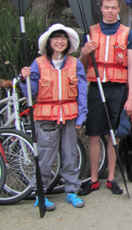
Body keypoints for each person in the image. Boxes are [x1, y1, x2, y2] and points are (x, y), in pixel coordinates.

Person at [20, 24, 87, 210]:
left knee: (70, 154)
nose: (60, 41)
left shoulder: (75, 63)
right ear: (49, 42)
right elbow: (32, 91)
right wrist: (25, 78)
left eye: (63, 38)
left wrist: (82, 116)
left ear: (68, 42)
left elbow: (81, 92)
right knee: (45, 156)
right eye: (55, 38)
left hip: (70, 115)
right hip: (46, 118)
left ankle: (71, 191)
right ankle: (39, 193)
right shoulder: (38, 63)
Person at [78, 0, 132, 196]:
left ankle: (111, 178)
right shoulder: (91, 31)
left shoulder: (127, 32)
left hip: (118, 89)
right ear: (101, 9)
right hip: (96, 87)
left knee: (114, 135)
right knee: (94, 134)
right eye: (106, 7)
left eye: (113, 7)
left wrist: (131, 98)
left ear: (119, 9)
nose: (110, 11)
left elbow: (131, 67)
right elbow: (81, 66)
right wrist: (84, 52)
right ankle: (94, 180)